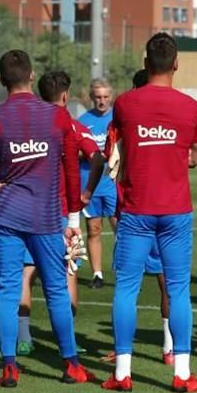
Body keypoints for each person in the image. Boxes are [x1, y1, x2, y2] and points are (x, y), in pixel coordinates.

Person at [0, 50, 90, 387]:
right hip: (45, 218)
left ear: (1, 81)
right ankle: (71, 365)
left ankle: (9, 366)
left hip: (7, 215)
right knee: (56, 289)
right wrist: (73, 221)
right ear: (31, 76)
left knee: (8, 291)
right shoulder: (57, 116)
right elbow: (72, 168)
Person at [102, 33, 197, 393]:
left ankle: (121, 374)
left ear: (146, 64)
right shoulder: (191, 107)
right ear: (176, 64)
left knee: (127, 289)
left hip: (136, 209)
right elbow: (194, 154)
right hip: (176, 211)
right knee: (179, 290)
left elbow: (114, 150)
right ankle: (182, 373)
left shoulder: (125, 103)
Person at [14, 71, 105, 354]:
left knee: (26, 273)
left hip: (28, 211)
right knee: (68, 273)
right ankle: (66, 340)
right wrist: (87, 190)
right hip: (65, 215)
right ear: (65, 96)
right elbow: (97, 157)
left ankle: (24, 337)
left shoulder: (26, 125)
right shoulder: (74, 127)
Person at [79, 77, 117, 288]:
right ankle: (97, 274)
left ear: (110, 96)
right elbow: (74, 151)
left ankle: (124, 271)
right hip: (89, 184)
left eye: (105, 97)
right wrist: (89, 156)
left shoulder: (118, 118)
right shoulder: (83, 121)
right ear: (92, 98)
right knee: (93, 229)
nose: (102, 101)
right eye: (98, 97)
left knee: (120, 228)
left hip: (111, 183)